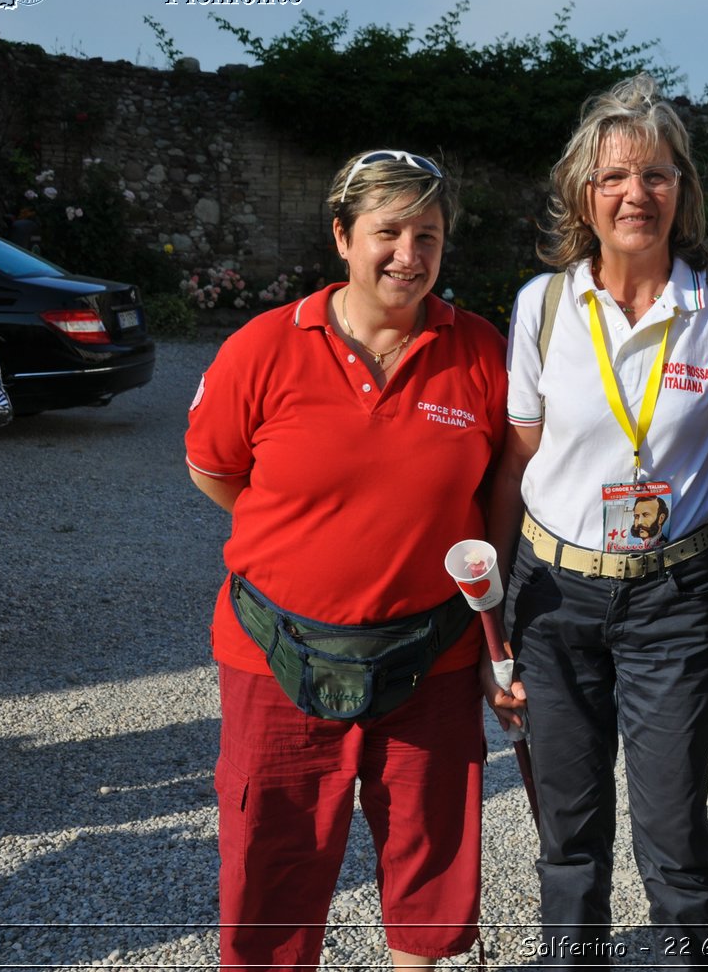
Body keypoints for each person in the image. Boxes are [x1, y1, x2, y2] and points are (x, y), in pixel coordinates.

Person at [487, 74, 708, 967]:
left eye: (658, 175)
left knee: (672, 823)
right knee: (568, 823)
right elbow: (517, 461)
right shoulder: (542, 306)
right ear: (582, 194)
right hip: (551, 597)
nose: (637, 193)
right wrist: (493, 632)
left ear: (683, 190)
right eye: (615, 177)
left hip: (672, 595)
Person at [186, 150, 508, 969]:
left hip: (431, 656)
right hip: (275, 651)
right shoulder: (263, 346)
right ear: (341, 236)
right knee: (274, 856)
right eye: (388, 231)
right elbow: (215, 471)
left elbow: (501, 488)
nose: (410, 253)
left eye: (428, 234)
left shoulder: (479, 351)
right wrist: (312, 533)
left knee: (429, 851)